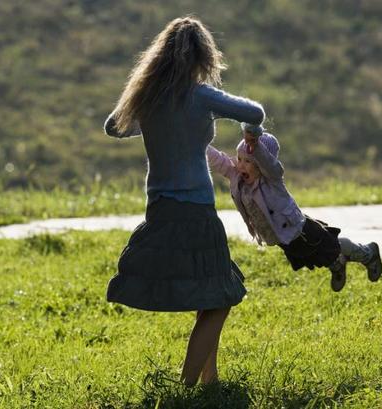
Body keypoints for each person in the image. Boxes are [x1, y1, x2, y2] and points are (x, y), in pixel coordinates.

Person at [103, 16, 265, 386]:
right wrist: (248, 132)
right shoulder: (200, 94)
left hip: (159, 207)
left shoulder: (150, 99)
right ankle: (188, 385)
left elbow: (114, 126)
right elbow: (255, 113)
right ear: (203, 57)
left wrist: (142, 101)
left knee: (208, 294)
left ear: (158, 57)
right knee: (220, 297)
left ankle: (210, 380)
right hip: (195, 209)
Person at [207, 123, 382, 292]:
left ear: (261, 165)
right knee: (313, 257)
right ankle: (337, 263)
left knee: (332, 246)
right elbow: (219, 161)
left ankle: (367, 253)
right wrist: (196, 144)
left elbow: (269, 163)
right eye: (239, 159)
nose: (241, 165)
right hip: (282, 237)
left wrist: (256, 145)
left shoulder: (272, 179)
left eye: (248, 161)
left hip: (300, 229)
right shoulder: (238, 177)